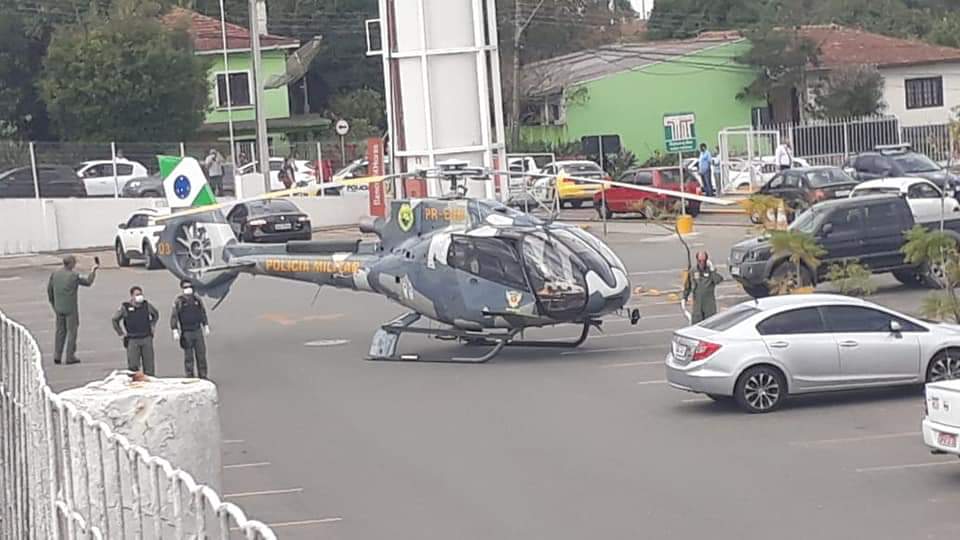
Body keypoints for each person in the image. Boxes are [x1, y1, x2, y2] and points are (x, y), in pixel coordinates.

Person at [47, 255, 98, 365]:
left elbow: (49, 291)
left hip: (58, 307)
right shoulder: (73, 276)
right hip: (70, 308)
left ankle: (57, 355)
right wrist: (93, 271)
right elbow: (88, 282)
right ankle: (70, 356)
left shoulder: (55, 274)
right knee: (72, 332)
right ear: (70, 264)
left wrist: (54, 304)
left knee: (60, 332)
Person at [112, 286, 159, 376]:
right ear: (132, 296)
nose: (139, 296)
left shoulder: (146, 305)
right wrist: (121, 334)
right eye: (137, 294)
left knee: (149, 365)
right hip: (133, 339)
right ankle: (134, 383)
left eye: (141, 294)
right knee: (133, 366)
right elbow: (115, 320)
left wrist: (152, 325)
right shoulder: (125, 307)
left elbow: (155, 314)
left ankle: (151, 383)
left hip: (146, 338)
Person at [171, 280, 210, 379]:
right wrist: (174, 329)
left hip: (197, 330)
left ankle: (203, 375)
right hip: (186, 332)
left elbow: (202, 312)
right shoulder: (179, 301)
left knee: (201, 354)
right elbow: (174, 316)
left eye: (189, 287)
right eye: (185, 287)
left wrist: (205, 325)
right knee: (188, 356)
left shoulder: (197, 299)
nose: (188, 289)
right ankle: (190, 375)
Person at [683, 251, 724, 324]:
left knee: (710, 326)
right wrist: (684, 297)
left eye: (704, 261)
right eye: (700, 261)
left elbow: (718, 280)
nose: (702, 263)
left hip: (709, 307)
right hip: (697, 307)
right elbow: (688, 286)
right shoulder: (693, 271)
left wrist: (712, 270)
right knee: (696, 326)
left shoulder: (710, 272)